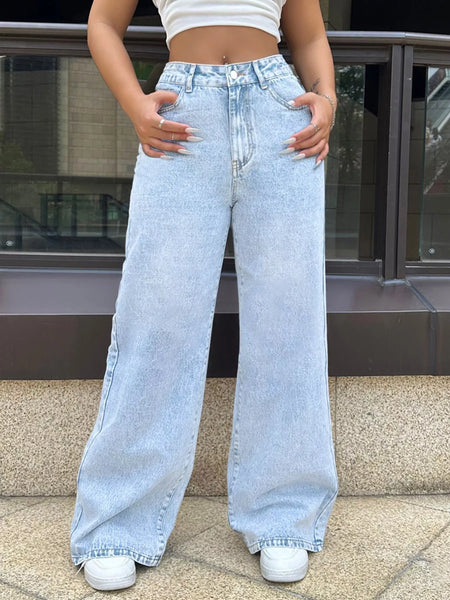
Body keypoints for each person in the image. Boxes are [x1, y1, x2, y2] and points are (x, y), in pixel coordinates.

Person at [70, 0, 339, 591]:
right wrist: (134, 104)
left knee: (288, 323)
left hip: (281, 119)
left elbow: (309, 37)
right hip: (181, 118)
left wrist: (327, 98)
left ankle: (284, 514)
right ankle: (118, 521)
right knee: (157, 321)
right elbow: (103, 25)